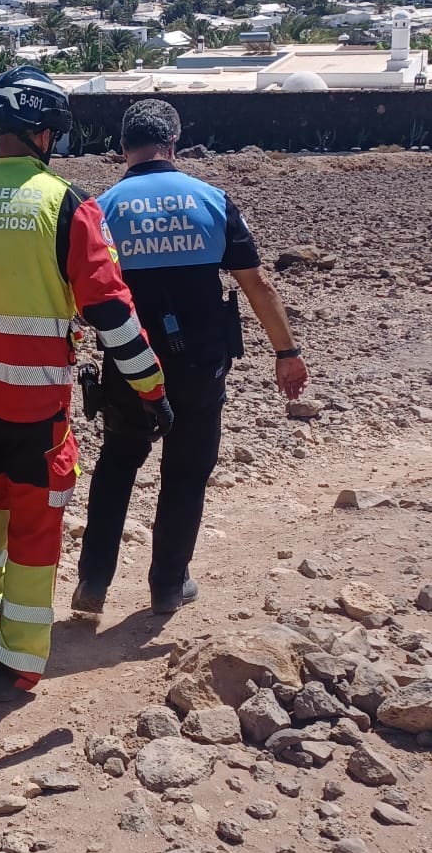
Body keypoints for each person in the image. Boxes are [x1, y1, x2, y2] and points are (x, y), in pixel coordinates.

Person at [0, 67, 169, 699]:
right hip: (34, 406)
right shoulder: (65, 203)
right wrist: (152, 390)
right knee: (36, 528)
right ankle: (17, 660)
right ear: (45, 133)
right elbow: (111, 310)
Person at [73, 98, 308, 619]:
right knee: (186, 471)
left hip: (129, 360)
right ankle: (167, 584)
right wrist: (286, 352)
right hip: (201, 362)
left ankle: (94, 579)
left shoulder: (103, 207)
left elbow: (81, 295)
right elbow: (256, 284)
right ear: (174, 145)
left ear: (122, 148)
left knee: (117, 463)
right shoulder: (212, 200)